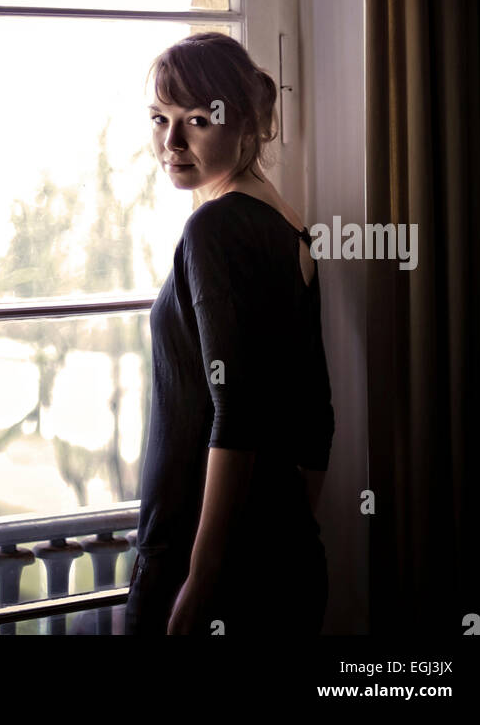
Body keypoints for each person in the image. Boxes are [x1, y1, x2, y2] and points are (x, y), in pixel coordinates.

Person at [123, 31, 335, 637]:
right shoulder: (289, 225)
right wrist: (285, 529)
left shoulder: (215, 229)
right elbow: (317, 419)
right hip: (278, 559)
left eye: (196, 120)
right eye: (159, 119)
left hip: (199, 567)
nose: (171, 142)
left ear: (245, 123)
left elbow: (235, 413)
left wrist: (202, 578)